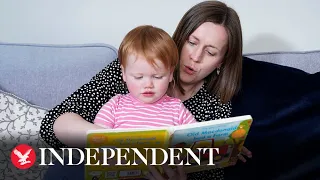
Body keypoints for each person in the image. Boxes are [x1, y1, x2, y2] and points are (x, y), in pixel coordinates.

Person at [40, 1, 252, 179]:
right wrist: (108, 140)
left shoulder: (212, 103)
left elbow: (207, 170)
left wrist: (219, 150)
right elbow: (52, 124)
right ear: (180, 37)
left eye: (211, 52)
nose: (195, 57)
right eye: (192, 42)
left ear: (221, 62)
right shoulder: (136, 67)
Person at [94, 25, 196, 129]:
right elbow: (97, 138)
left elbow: (196, 138)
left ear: (170, 74)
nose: (148, 85)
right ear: (124, 73)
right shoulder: (115, 106)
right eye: (138, 77)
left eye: (157, 77)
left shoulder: (177, 109)